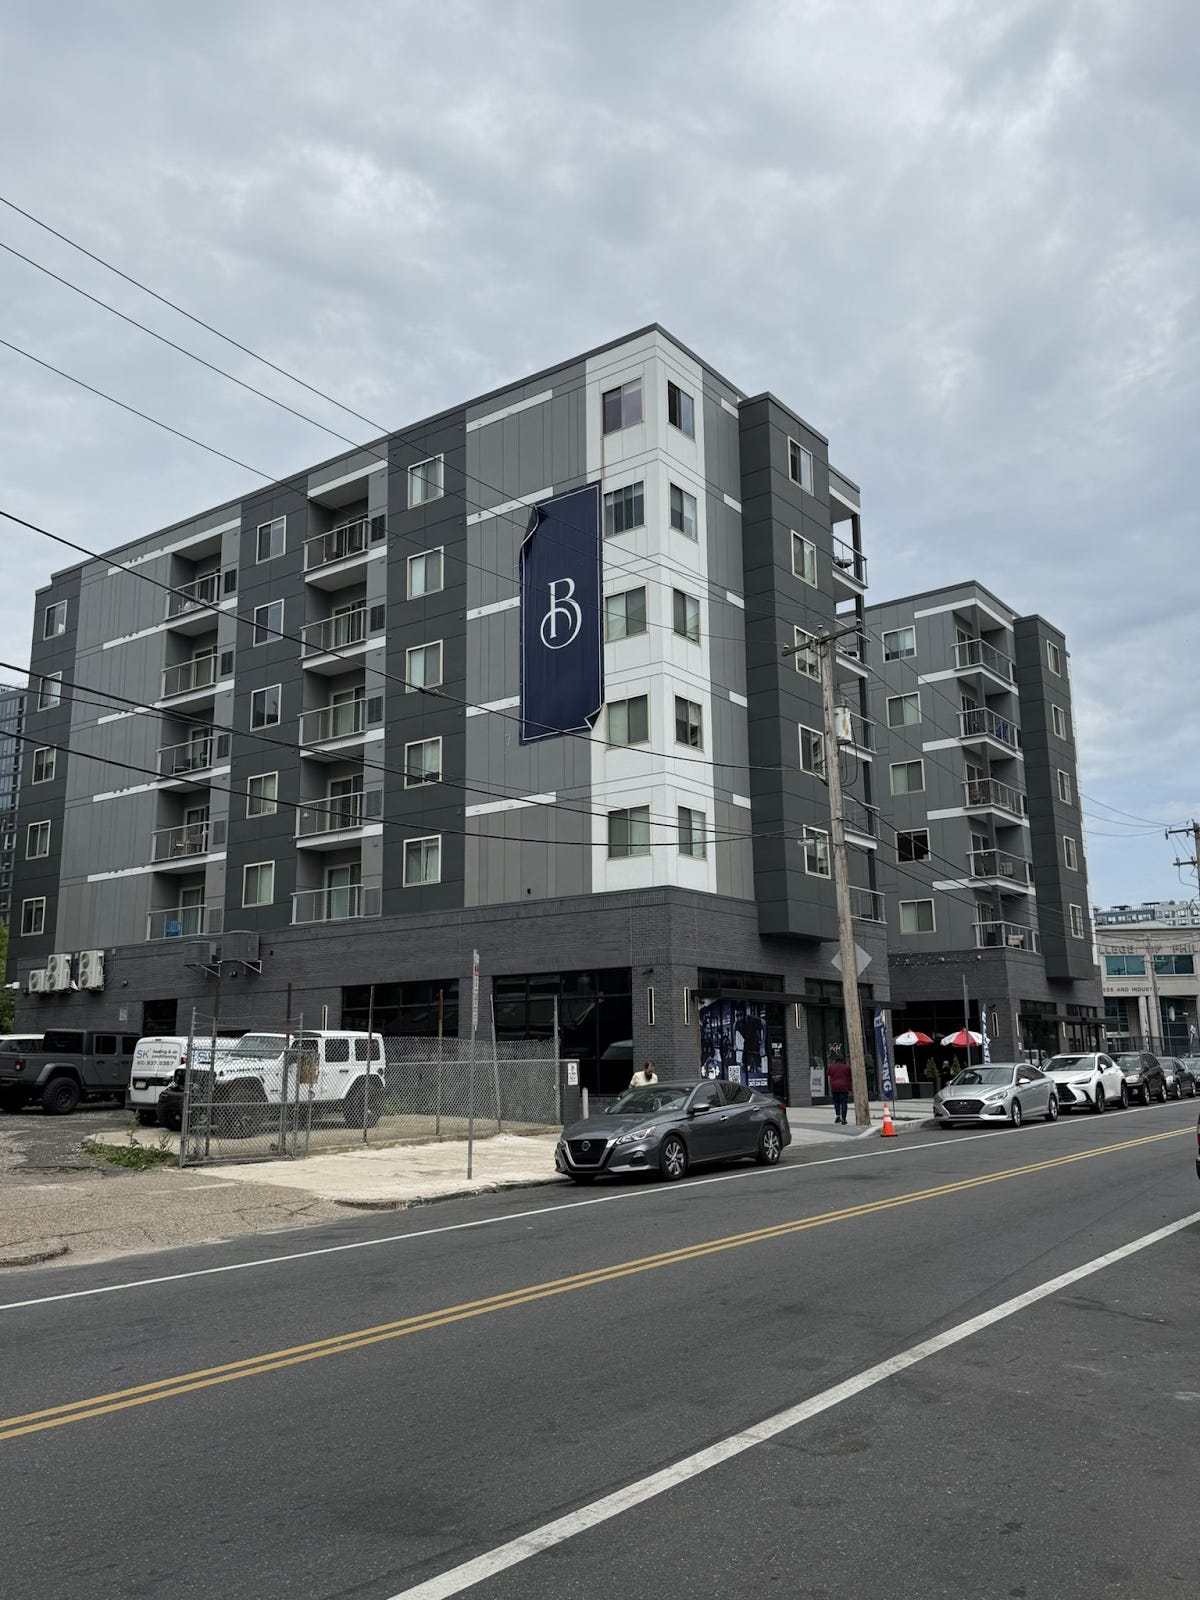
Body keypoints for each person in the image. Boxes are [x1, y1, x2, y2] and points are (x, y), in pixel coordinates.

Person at [827, 1056, 852, 1124]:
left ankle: (838, 1116)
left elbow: (828, 1074)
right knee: (844, 1103)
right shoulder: (847, 1067)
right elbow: (850, 1077)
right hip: (844, 1087)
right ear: (842, 1060)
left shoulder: (831, 1067)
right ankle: (844, 1119)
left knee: (836, 1102)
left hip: (835, 1086)